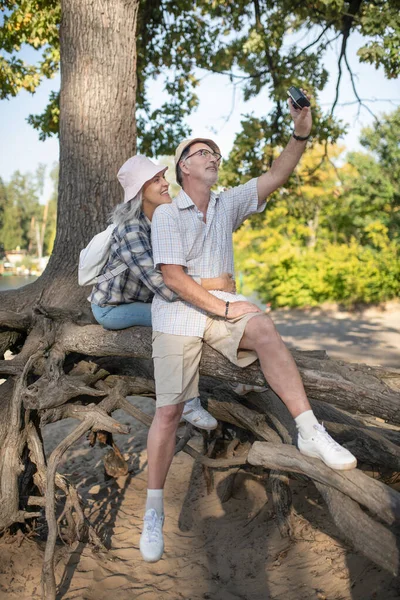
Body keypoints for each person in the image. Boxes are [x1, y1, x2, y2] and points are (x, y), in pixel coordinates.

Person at [139, 93, 357, 562]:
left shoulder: (227, 203)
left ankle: (309, 430)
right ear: (183, 168)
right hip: (178, 314)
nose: (214, 157)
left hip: (219, 306)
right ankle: (153, 509)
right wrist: (220, 300)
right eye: (203, 153)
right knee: (169, 414)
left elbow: (278, 174)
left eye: (215, 152)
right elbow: (173, 279)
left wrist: (300, 132)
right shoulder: (166, 215)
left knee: (264, 328)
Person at [90, 155, 235, 430]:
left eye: (162, 177)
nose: (165, 183)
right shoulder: (130, 229)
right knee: (179, 319)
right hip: (111, 308)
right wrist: (215, 284)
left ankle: (237, 376)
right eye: (155, 180)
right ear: (139, 192)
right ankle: (188, 403)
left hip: (142, 299)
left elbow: (183, 267)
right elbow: (164, 284)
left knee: (197, 310)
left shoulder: (162, 220)